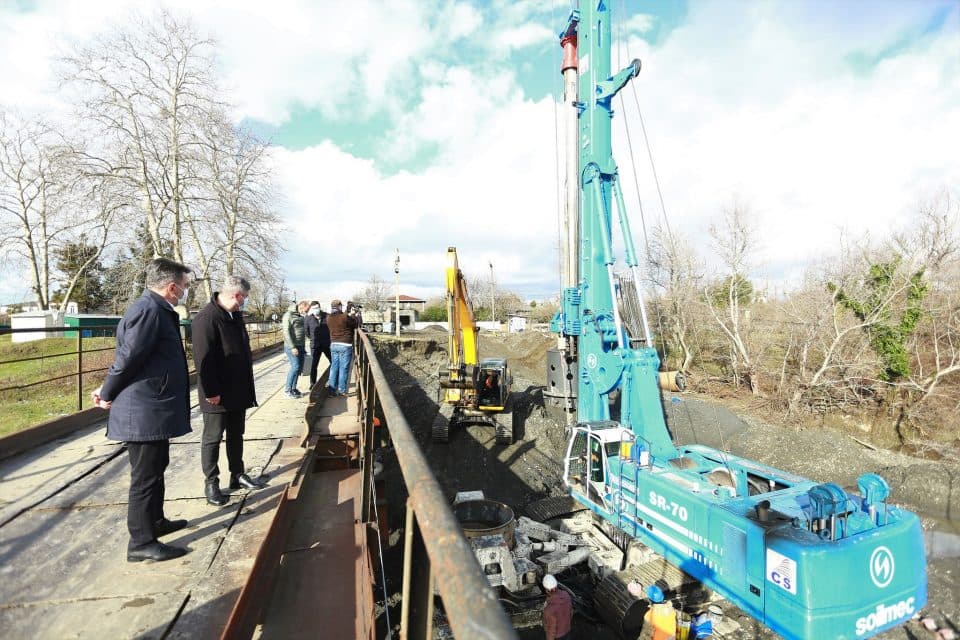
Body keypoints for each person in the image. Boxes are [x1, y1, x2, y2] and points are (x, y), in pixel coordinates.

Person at [91, 257, 192, 563]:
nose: (185, 292)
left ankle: (156, 522)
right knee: (145, 477)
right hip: (143, 410)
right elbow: (128, 357)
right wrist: (107, 392)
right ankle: (141, 542)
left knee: (157, 467)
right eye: (185, 287)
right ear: (172, 287)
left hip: (153, 407)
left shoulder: (157, 309)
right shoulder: (149, 310)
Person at [191, 275, 265, 508]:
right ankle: (211, 482)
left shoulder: (234, 316)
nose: (244, 303)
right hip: (218, 393)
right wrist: (211, 391)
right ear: (236, 295)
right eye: (243, 298)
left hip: (238, 389)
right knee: (212, 438)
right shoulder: (207, 319)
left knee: (236, 434)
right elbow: (203, 359)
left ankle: (237, 474)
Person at [325, 299, 357, 396]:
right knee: (343, 368)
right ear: (339, 306)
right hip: (345, 345)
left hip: (334, 344)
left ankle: (331, 391)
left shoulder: (328, 318)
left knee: (334, 367)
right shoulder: (344, 317)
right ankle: (342, 390)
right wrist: (353, 315)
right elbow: (355, 324)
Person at [281, 300, 309, 398]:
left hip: (300, 346)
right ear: (301, 307)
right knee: (295, 366)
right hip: (292, 346)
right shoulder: (288, 315)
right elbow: (286, 332)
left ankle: (294, 388)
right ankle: (287, 390)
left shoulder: (299, 315)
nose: (305, 312)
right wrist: (292, 347)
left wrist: (303, 347)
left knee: (299, 368)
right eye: (305, 310)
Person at [305, 301, 331, 387]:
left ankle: (331, 380)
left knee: (333, 362)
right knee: (314, 365)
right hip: (315, 345)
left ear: (320, 307)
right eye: (314, 308)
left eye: (317, 308)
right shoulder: (308, 318)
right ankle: (313, 383)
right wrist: (313, 338)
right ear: (311, 309)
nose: (316, 310)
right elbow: (306, 332)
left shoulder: (327, 316)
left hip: (327, 344)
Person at [542, 573, 573, 640]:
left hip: (558, 637)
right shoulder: (566, 594)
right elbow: (571, 612)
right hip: (567, 630)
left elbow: (551, 629)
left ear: (546, 590)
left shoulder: (549, 610)